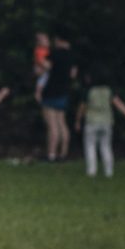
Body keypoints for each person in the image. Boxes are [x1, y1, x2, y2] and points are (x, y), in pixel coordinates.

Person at [74, 69, 125, 178]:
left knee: (90, 146)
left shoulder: (89, 91)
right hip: (106, 122)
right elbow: (119, 104)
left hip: (91, 123)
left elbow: (82, 108)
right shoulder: (108, 91)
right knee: (106, 146)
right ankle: (109, 171)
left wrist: (78, 121)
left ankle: (91, 171)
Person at [39, 32, 77, 162]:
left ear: (59, 40)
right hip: (64, 92)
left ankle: (51, 154)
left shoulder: (55, 54)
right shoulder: (72, 56)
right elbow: (73, 74)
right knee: (62, 123)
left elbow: (44, 66)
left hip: (51, 92)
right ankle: (63, 153)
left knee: (52, 125)